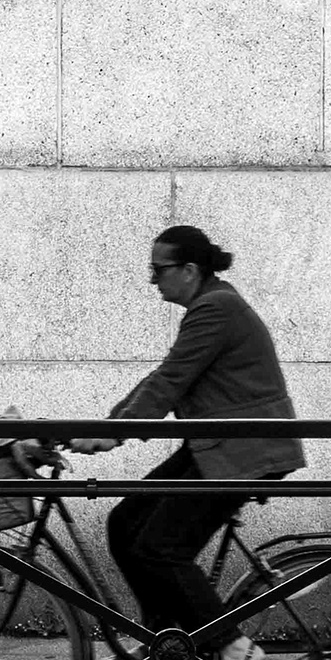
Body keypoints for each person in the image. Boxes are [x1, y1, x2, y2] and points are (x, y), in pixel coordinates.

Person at [67, 224, 306, 639]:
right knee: (124, 524)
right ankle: (165, 639)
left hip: (243, 453)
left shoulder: (217, 308)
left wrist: (115, 433)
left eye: (158, 270)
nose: (152, 280)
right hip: (218, 446)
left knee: (161, 548)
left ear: (190, 270)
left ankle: (229, 646)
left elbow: (170, 381)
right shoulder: (212, 305)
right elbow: (163, 376)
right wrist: (108, 425)